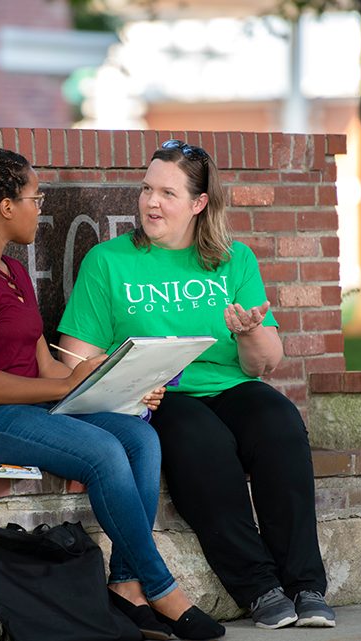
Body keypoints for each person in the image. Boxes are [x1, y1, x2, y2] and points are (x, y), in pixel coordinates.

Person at [0, 132, 226, 641]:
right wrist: (65, 386)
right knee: (103, 452)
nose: (39, 209)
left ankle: (126, 586)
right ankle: (163, 590)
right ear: (5, 207)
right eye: (34, 198)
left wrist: (111, 382)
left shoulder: (13, 271)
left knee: (139, 436)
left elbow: (46, 367)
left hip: (21, 412)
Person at [57, 139, 336, 630]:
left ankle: (306, 585)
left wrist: (249, 333)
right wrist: (127, 378)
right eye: (147, 189)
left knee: (280, 423)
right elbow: (73, 360)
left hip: (229, 385)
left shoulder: (233, 259)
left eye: (167, 193)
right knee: (201, 440)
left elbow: (265, 363)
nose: (151, 202)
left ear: (199, 203)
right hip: (160, 395)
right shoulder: (108, 261)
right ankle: (260, 588)